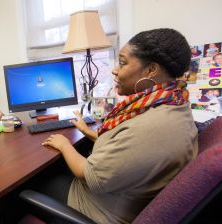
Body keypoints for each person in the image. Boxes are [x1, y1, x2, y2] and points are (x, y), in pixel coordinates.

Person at [39, 28, 198, 223]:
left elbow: (89, 176)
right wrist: (88, 132)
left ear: (151, 70)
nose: (114, 69)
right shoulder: (174, 102)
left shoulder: (149, 127)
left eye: (122, 62)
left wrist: (64, 144)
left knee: (33, 183)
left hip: (98, 209)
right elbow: (129, 148)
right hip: (123, 194)